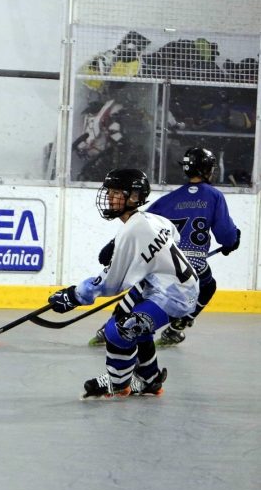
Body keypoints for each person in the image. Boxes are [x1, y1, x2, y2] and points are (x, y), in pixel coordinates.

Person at [49, 169, 199, 399]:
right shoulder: (149, 219)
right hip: (164, 287)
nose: (109, 197)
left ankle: (117, 383)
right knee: (133, 324)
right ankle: (150, 380)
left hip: (174, 297)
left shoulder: (134, 229)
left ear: (134, 197)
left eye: (116, 192)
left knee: (120, 330)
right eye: (109, 191)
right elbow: (173, 233)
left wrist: (74, 296)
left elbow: (111, 283)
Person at [88, 147, 240, 347]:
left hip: (163, 258)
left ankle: (108, 328)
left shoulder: (170, 199)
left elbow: (140, 223)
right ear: (206, 169)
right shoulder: (214, 196)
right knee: (207, 286)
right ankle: (175, 329)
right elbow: (225, 234)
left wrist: (113, 245)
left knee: (144, 285)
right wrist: (232, 241)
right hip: (191, 264)